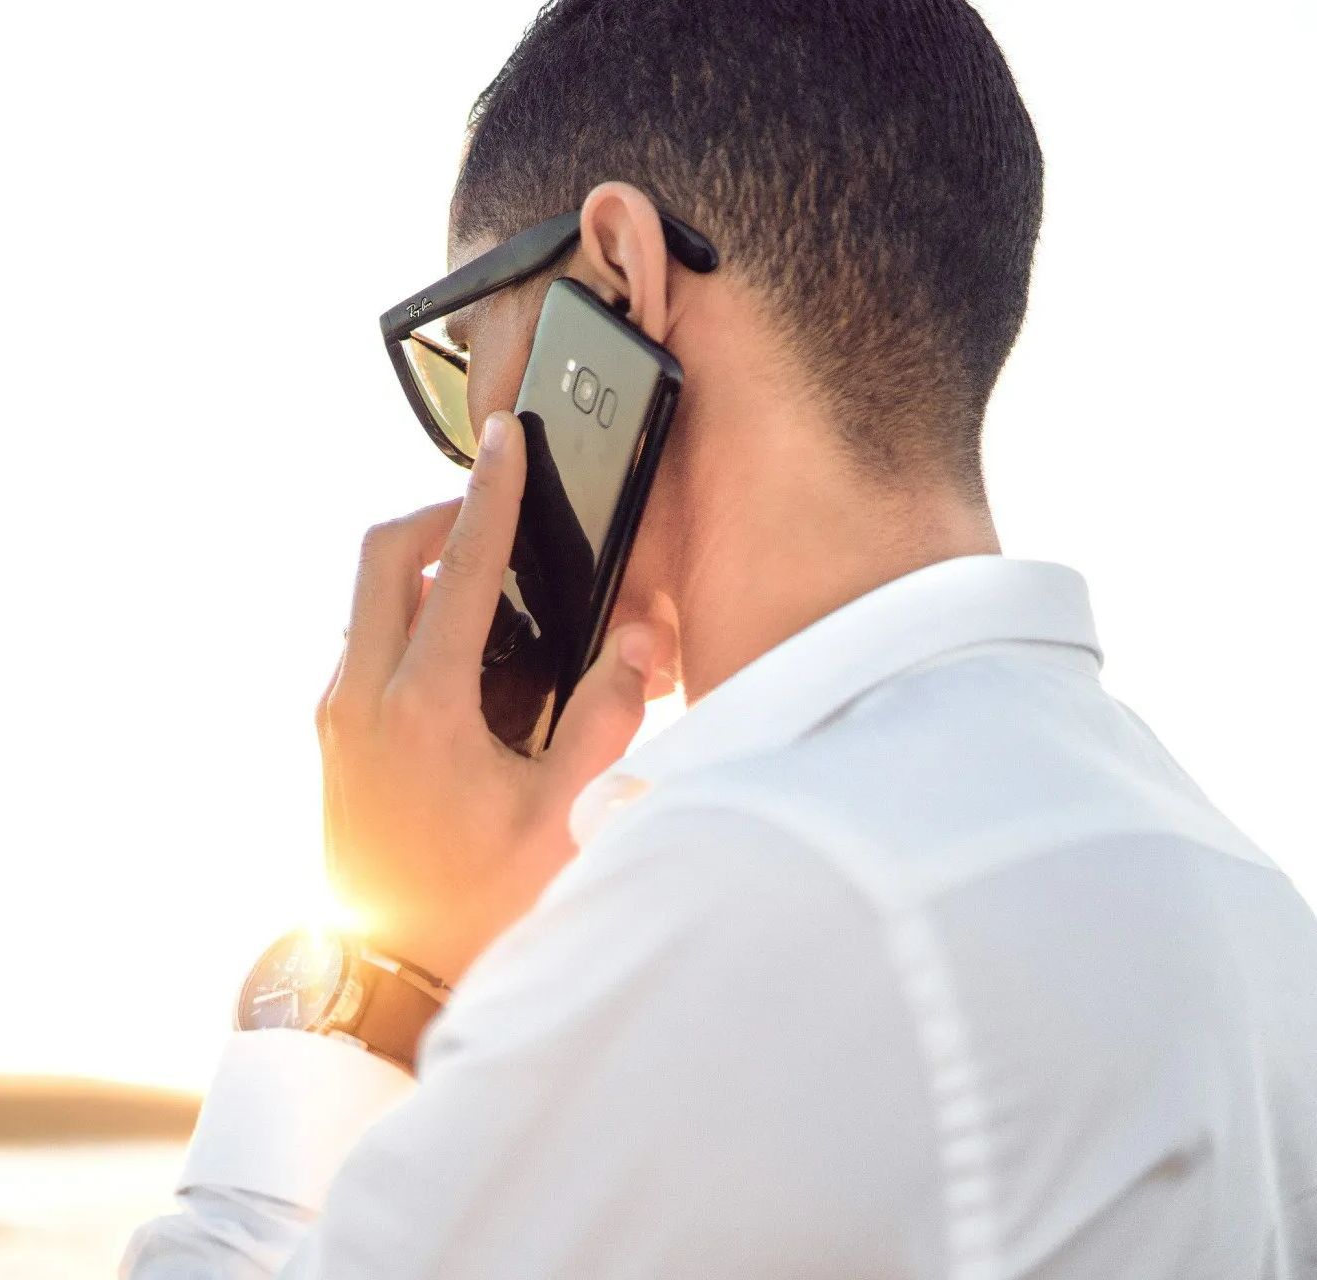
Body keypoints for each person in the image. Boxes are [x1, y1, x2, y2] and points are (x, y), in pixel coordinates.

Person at [123, 0, 1317, 1274]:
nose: (477, 440)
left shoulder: (750, 897)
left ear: (619, 283)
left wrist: (370, 987)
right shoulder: (1254, 911)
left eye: (468, 349)